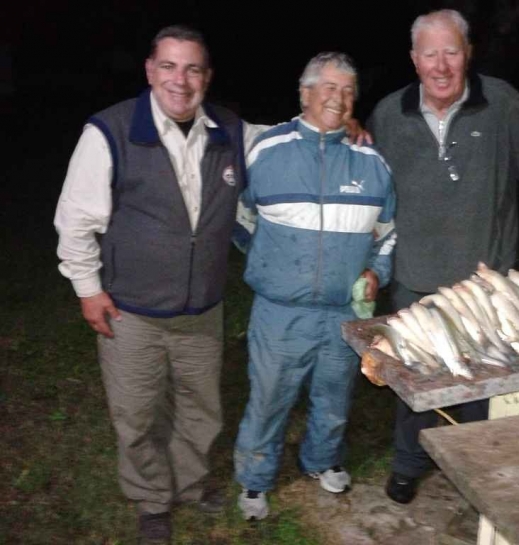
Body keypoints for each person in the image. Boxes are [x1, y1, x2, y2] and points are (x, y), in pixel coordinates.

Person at [366, 9, 519, 504]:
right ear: (414, 59)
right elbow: (368, 191)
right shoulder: (389, 113)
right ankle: (408, 464)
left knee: (483, 386)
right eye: (430, 54)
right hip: (415, 279)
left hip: (486, 283)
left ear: (468, 53)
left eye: (451, 51)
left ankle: (480, 473)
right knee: (415, 384)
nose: (441, 65)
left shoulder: (502, 104)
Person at [53, 25, 261, 544]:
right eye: (168, 66)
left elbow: (292, 137)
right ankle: (151, 499)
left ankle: (190, 484)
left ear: (207, 77)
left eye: (192, 68)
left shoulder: (230, 131)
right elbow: (75, 220)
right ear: (150, 70)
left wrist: (336, 120)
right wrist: (87, 289)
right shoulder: (110, 131)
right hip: (130, 311)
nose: (180, 80)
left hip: (202, 308)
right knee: (137, 413)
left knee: (201, 407)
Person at [231, 51, 396, 521]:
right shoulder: (267, 150)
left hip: (343, 311)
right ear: (304, 93)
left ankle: (321, 461)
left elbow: (390, 231)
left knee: (335, 398)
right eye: (328, 86)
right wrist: (270, 261)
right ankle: (255, 479)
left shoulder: (371, 160)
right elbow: (240, 215)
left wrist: (375, 273)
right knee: (268, 399)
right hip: (280, 310)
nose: (337, 98)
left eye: (347, 91)